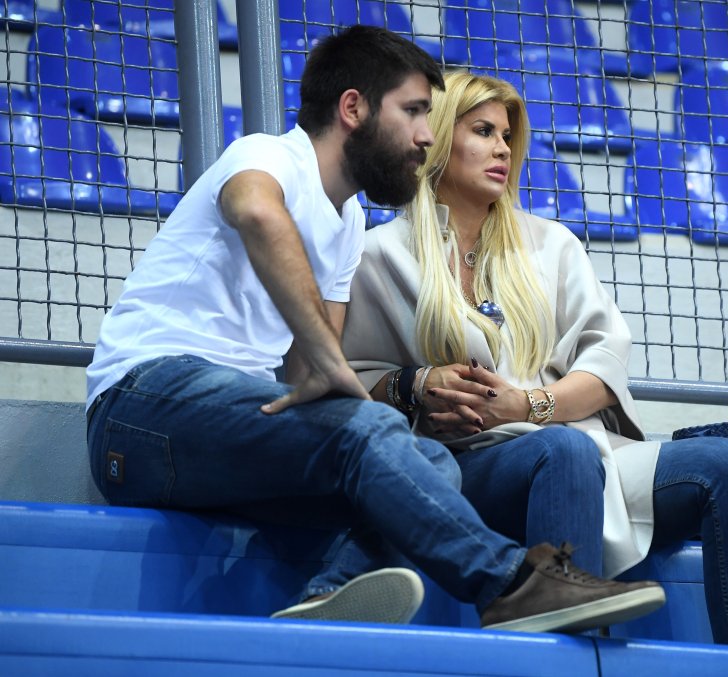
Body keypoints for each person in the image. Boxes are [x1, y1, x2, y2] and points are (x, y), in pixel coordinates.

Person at [84, 26, 666, 634]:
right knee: (372, 434)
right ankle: (512, 587)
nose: (427, 135)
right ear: (353, 108)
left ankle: (327, 600)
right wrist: (337, 373)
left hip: (231, 434)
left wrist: (403, 396)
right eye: (413, 111)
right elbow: (257, 213)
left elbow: (314, 382)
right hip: (140, 409)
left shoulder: (347, 223)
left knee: (428, 463)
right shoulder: (268, 156)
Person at [341, 71, 728, 647]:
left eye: (507, 136)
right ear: (440, 139)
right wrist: (417, 384)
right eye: (483, 131)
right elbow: (353, 382)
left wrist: (528, 404)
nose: (503, 148)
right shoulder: (381, 254)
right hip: (464, 466)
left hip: (576, 446)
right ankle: (574, 652)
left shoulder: (551, 244)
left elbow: (604, 365)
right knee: (563, 451)